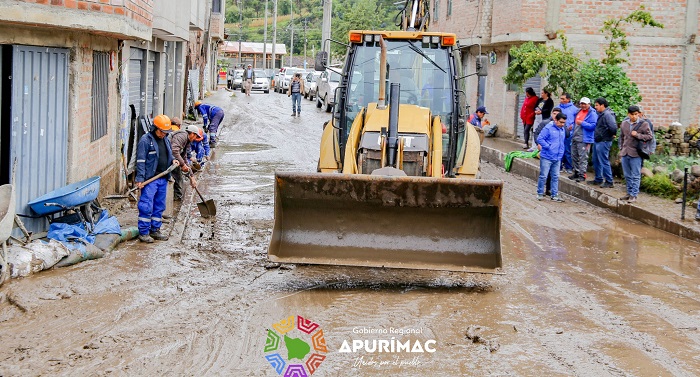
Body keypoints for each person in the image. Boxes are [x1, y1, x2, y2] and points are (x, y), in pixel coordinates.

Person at [135, 115, 176, 243]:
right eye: (162, 132)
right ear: (155, 128)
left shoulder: (166, 139)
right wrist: (140, 178)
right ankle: (144, 232)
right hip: (150, 179)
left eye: (166, 132)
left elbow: (168, 155)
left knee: (159, 206)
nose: (164, 134)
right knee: (146, 206)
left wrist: (173, 161)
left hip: (163, 178)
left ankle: (155, 230)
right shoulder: (145, 140)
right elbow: (140, 161)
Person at [618, 106, 652, 204]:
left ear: (638, 114)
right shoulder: (624, 124)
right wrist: (621, 148)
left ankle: (634, 195)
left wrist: (637, 135)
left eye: (636, 114)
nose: (634, 116)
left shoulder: (644, 124)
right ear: (628, 114)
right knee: (627, 175)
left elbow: (649, 136)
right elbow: (621, 137)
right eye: (632, 114)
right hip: (625, 152)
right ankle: (628, 193)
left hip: (636, 153)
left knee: (636, 175)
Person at [536, 113, 568, 202]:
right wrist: (548, 147)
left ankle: (554, 195)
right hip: (547, 156)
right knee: (543, 176)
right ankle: (540, 193)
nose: (562, 124)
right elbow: (540, 139)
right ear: (556, 120)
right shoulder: (548, 128)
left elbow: (562, 142)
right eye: (561, 122)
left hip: (557, 157)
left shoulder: (562, 129)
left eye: (564, 123)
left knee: (555, 176)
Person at [588, 97, 617, 188]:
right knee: (595, 160)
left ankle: (609, 181)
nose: (595, 107)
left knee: (603, 161)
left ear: (602, 105)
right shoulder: (601, 114)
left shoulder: (607, 114)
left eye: (597, 105)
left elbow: (613, 127)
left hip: (604, 141)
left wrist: (610, 135)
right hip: (598, 140)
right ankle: (598, 178)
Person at [534, 107, 562, 196]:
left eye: (557, 114)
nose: (555, 116)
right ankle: (540, 192)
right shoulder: (545, 123)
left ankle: (550, 190)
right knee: (544, 174)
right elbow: (537, 133)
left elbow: (567, 135)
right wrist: (539, 144)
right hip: (546, 153)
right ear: (551, 114)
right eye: (554, 114)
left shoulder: (562, 126)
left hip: (556, 154)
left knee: (553, 175)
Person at [569, 97, 598, 182]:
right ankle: (576, 172)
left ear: (589, 104)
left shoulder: (592, 114)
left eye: (585, 104)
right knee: (574, 155)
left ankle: (582, 174)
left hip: (584, 139)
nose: (583, 105)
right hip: (575, 136)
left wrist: (582, 123)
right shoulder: (578, 111)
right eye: (582, 103)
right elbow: (574, 122)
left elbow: (593, 126)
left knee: (583, 157)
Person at [170, 124, 199, 201]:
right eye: (196, 136)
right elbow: (174, 151)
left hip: (173, 158)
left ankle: (178, 198)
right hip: (166, 157)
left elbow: (184, 157)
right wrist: (182, 165)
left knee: (179, 177)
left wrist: (192, 176)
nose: (196, 139)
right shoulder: (182, 136)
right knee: (177, 176)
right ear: (192, 134)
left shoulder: (187, 141)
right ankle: (178, 198)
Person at [558, 93, 578, 173]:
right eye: (561, 98)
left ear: (568, 99)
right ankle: (559, 166)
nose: (561, 100)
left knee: (568, 150)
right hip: (558, 132)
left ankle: (569, 167)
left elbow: (576, 121)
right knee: (559, 149)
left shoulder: (574, 109)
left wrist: (572, 127)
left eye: (563, 99)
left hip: (569, 133)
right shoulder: (558, 108)